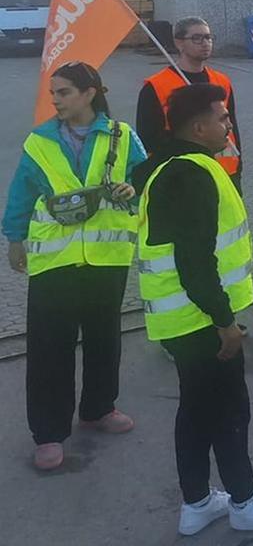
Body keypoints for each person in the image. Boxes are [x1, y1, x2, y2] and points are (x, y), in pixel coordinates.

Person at [133, 84, 253, 536]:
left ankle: (198, 502)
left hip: (180, 320)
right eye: (223, 118)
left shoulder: (168, 167)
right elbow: (195, 260)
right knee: (229, 411)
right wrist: (225, 322)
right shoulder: (193, 174)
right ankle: (245, 501)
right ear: (198, 126)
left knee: (195, 411)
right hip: (200, 321)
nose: (229, 126)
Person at [3, 62, 144, 471]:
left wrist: (132, 189)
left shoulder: (122, 136)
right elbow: (21, 194)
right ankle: (48, 433)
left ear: (89, 93)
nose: (55, 101)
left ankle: (99, 408)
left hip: (107, 258)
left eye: (63, 92)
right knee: (50, 349)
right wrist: (15, 239)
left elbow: (145, 182)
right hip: (55, 262)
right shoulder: (40, 141)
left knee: (104, 339)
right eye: (54, 94)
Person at [136, 17, 245, 192]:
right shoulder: (156, 86)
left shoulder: (221, 81)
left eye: (208, 37)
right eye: (197, 38)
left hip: (226, 171)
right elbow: (148, 140)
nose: (205, 43)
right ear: (179, 43)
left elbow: (232, 128)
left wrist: (239, 166)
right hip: (184, 176)